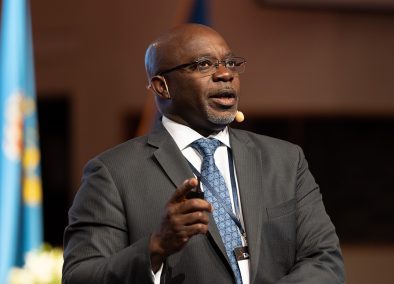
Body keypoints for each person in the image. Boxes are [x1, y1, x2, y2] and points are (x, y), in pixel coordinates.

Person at [62, 23, 345, 284]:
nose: (226, 73)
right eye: (204, 64)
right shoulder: (113, 173)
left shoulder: (284, 160)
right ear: (163, 86)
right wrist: (156, 247)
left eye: (230, 62)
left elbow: (325, 261)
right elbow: (81, 276)